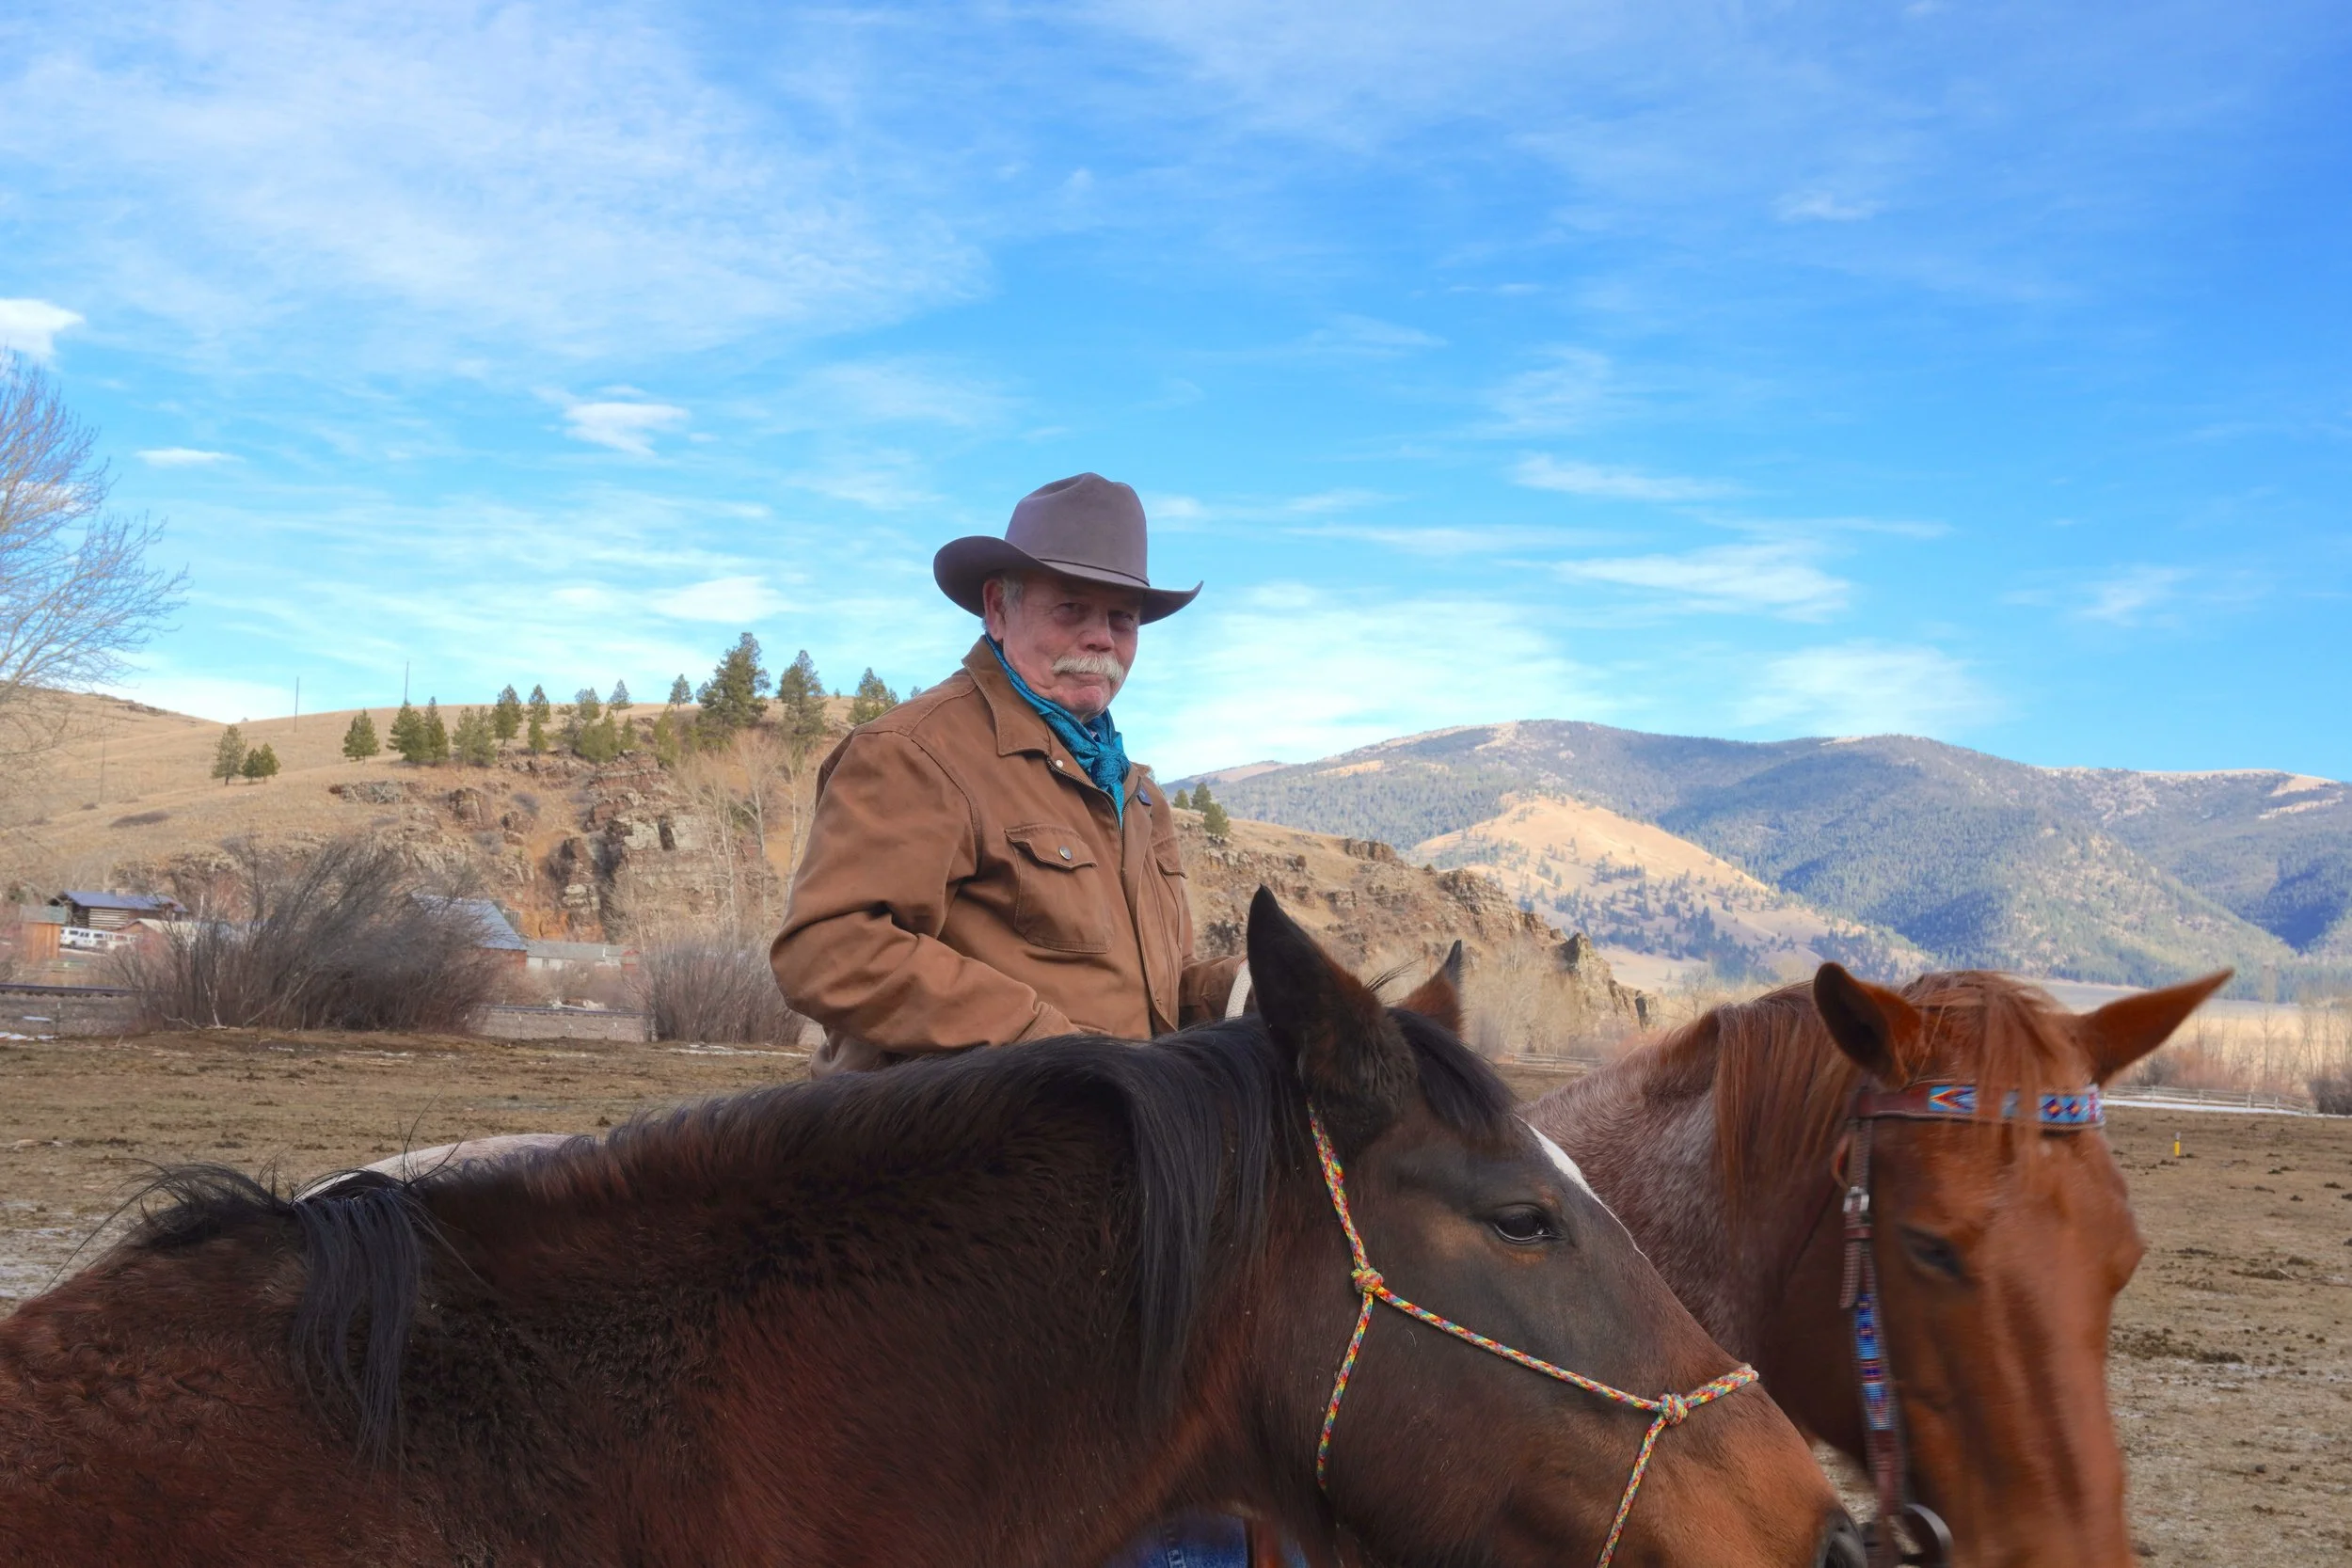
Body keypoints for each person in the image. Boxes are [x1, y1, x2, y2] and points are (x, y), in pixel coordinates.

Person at [770, 472, 1254, 1568]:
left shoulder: (1133, 790)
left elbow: (1142, 978)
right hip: (953, 1190)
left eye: (1120, 616)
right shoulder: (920, 752)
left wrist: (1243, 996)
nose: (1100, 638)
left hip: (1117, 1187)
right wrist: (1048, 1042)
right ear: (998, 607)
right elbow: (829, 944)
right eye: (1069, 608)